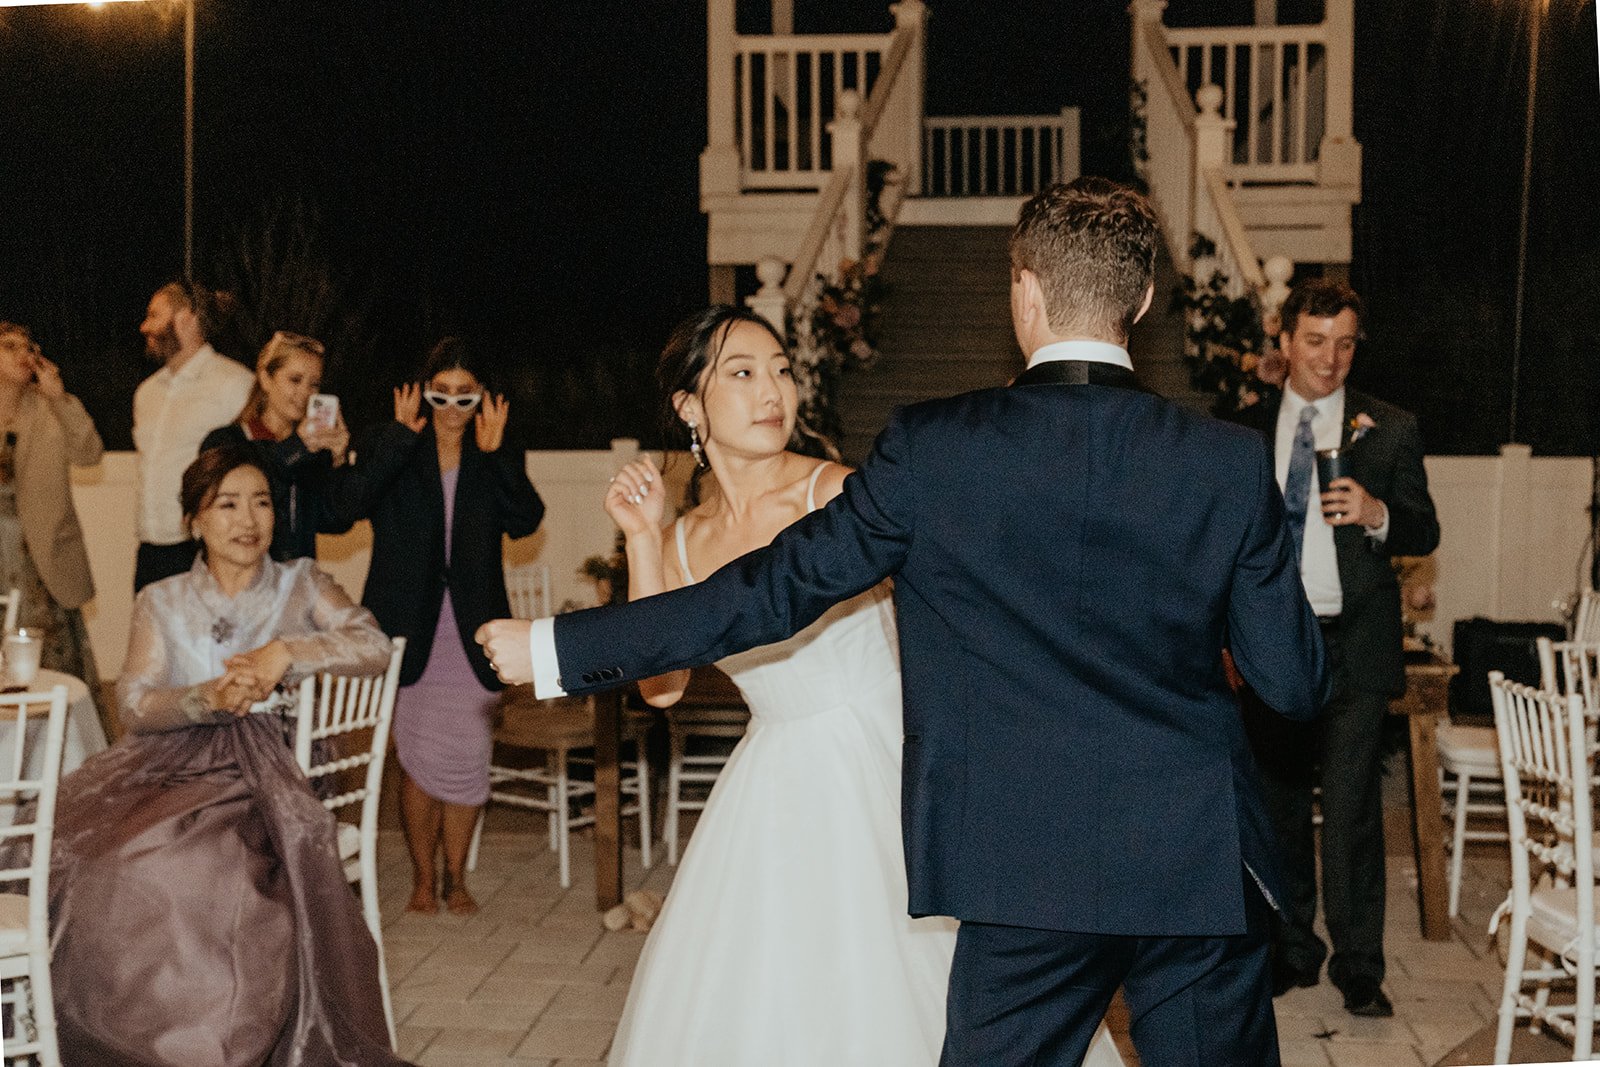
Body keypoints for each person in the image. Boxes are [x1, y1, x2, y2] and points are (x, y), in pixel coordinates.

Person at [481, 177, 1327, 1066]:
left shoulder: (934, 449)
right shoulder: (1228, 462)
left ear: (1024, 291)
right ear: (1145, 299)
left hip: (1020, 867)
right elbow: (1295, 683)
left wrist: (558, 647)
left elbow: (766, 591)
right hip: (1191, 858)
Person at [601, 306, 1125, 1066]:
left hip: (892, 760)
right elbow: (661, 688)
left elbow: (959, 601)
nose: (772, 389)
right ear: (689, 406)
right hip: (774, 782)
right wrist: (644, 537)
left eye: (781, 368)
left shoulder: (838, 494)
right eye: (742, 373)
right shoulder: (684, 540)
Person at [46, 445, 407, 1066]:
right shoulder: (160, 599)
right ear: (196, 521)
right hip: (172, 766)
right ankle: (127, 1033)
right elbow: (134, 703)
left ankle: (210, 1040)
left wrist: (288, 653)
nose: (249, 519)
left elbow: (373, 643)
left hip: (274, 772)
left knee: (187, 863)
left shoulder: (301, 583)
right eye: (228, 504)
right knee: (93, 855)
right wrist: (204, 695)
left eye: (261, 502)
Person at [1234, 279, 1440, 1018]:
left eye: (1346, 343)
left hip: (1354, 642)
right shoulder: (1244, 430)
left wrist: (1380, 512)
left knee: (1351, 807)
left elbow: (1424, 529)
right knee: (1279, 804)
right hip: (1271, 642)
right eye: (1316, 341)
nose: (1331, 358)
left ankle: (1360, 964)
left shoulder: (1388, 427)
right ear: (1285, 340)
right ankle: (1293, 947)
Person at [332, 337, 542, 916]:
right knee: (419, 760)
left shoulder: (494, 448)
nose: (452, 409)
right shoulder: (392, 443)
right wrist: (398, 443)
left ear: (482, 399)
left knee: (468, 755)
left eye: (464, 396)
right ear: (422, 393)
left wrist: (497, 455)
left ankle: (458, 878)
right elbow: (345, 506)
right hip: (410, 628)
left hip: (474, 632)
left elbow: (527, 521)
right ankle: (423, 879)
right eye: (440, 395)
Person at [0, 322, 104, 701]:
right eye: (9, 346)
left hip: (45, 558)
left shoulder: (50, 410)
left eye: (28, 347)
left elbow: (90, 454)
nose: (23, 354)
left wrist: (60, 399)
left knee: (55, 670)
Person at [132, 280, 254, 590]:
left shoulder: (235, 384)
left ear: (186, 318)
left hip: (203, 550)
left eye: (154, 315)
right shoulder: (146, 393)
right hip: (149, 548)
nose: (144, 326)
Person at [201, 329, 353, 560]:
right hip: (239, 582)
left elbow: (336, 522)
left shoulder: (312, 451)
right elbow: (252, 485)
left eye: (314, 384)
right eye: (295, 379)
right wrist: (299, 447)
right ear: (265, 378)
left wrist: (339, 461)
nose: (305, 392)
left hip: (296, 585)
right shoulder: (226, 441)